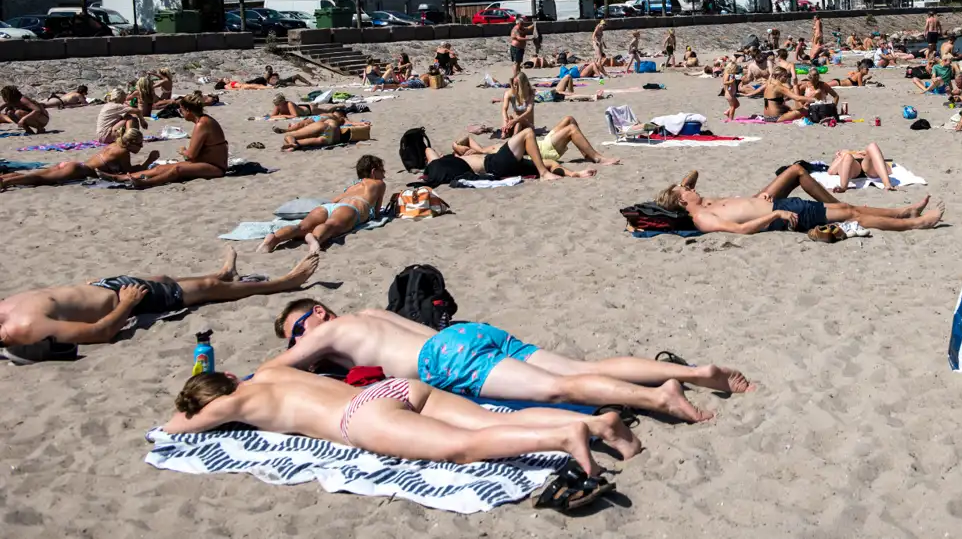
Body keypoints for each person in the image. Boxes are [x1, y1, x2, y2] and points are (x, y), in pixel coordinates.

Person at [166, 367, 619, 498]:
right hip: (395, 388)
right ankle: (597, 424)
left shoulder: (233, 402)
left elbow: (175, 427)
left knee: (461, 449)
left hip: (360, 418)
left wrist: (194, 404)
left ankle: (562, 439)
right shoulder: (267, 372)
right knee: (492, 421)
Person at [265, 304, 750, 425]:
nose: (300, 338)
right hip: (464, 333)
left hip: (444, 357)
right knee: (581, 368)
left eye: (298, 327)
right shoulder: (368, 315)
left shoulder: (325, 331)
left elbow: (274, 371)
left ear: (317, 314)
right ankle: (692, 373)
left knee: (559, 391)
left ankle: (658, 397)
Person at [0, 246, 319, 357]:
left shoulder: (6, 308)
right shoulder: (25, 327)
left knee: (163, 279)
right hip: (120, 301)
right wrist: (126, 304)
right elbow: (98, 334)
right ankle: (285, 283)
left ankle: (223, 274)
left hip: (104, 285)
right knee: (204, 290)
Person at [654, 165, 942, 234]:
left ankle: (902, 211)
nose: (690, 188)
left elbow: (692, 176)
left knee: (847, 208)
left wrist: (679, 189)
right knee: (850, 216)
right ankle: (913, 224)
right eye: (686, 191)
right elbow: (740, 230)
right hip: (780, 213)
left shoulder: (701, 202)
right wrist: (774, 215)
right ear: (682, 202)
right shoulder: (702, 216)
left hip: (774, 204)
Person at [259, 155, 388, 252]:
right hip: (351, 208)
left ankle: (274, 238)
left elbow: (334, 201)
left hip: (329, 207)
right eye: (382, 171)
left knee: (301, 226)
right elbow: (377, 213)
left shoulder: (352, 186)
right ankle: (315, 238)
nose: (384, 175)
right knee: (331, 225)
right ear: (373, 171)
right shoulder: (379, 184)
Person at [98, 92, 228, 188]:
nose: (181, 113)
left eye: (181, 110)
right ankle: (120, 177)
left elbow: (191, 156)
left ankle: (146, 183)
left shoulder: (202, 124)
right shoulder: (202, 121)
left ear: (188, 110)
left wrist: (182, 150)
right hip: (205, 162)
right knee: (161, 168)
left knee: (177, 170)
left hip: (215, 167)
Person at [444, 119, 619, 181]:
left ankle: (587, 154)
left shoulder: (481, 149)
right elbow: (549, 163)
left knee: (569, 119)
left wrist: (459, 147)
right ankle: (596, 157)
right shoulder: (485, 156)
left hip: (536, 143)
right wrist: (575, 174)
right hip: (535, 149)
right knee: (571, 129)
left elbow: (462, 139)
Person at [0, 127, 156, 190]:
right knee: (38, 179)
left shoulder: (116, 145)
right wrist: (148, 161)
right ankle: (6, 181)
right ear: (130, 143)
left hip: (75, 165)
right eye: (140, 143)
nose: (141, 147)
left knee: (37, 175)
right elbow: (128, 172)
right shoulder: (123, 152)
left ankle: (5, 178)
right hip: (78, 170)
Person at [827, 143, 893, 193]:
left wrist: (866, 153)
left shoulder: (859, 154)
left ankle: (887, 184)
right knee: (848, 157)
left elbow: (889, 169)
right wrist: (841, 157)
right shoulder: (841, 157)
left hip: (866, 165)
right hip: (853, 168)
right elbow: (830, 171)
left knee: (873, 145)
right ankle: (843, 187)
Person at [276, 110, 348, 151]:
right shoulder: (340, 120)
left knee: (289, 135)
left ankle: (291, 140)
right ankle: (294, 145)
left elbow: (315, 120)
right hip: (334, 138)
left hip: (323, 125)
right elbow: (352, 124)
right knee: (318, 140)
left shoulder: (328, 115)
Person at [501, 72, 536, 137]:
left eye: (517, 85)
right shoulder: (509, 93)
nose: (515, 87)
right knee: (509, 117)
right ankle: (505, 132)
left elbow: (529, 111)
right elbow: (504, 109)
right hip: (515, 120)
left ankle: (514, 135)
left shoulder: (530, 93)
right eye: (514, 84)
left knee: (518, 122)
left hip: (527, 123)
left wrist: (515, 120)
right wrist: (506, 120)